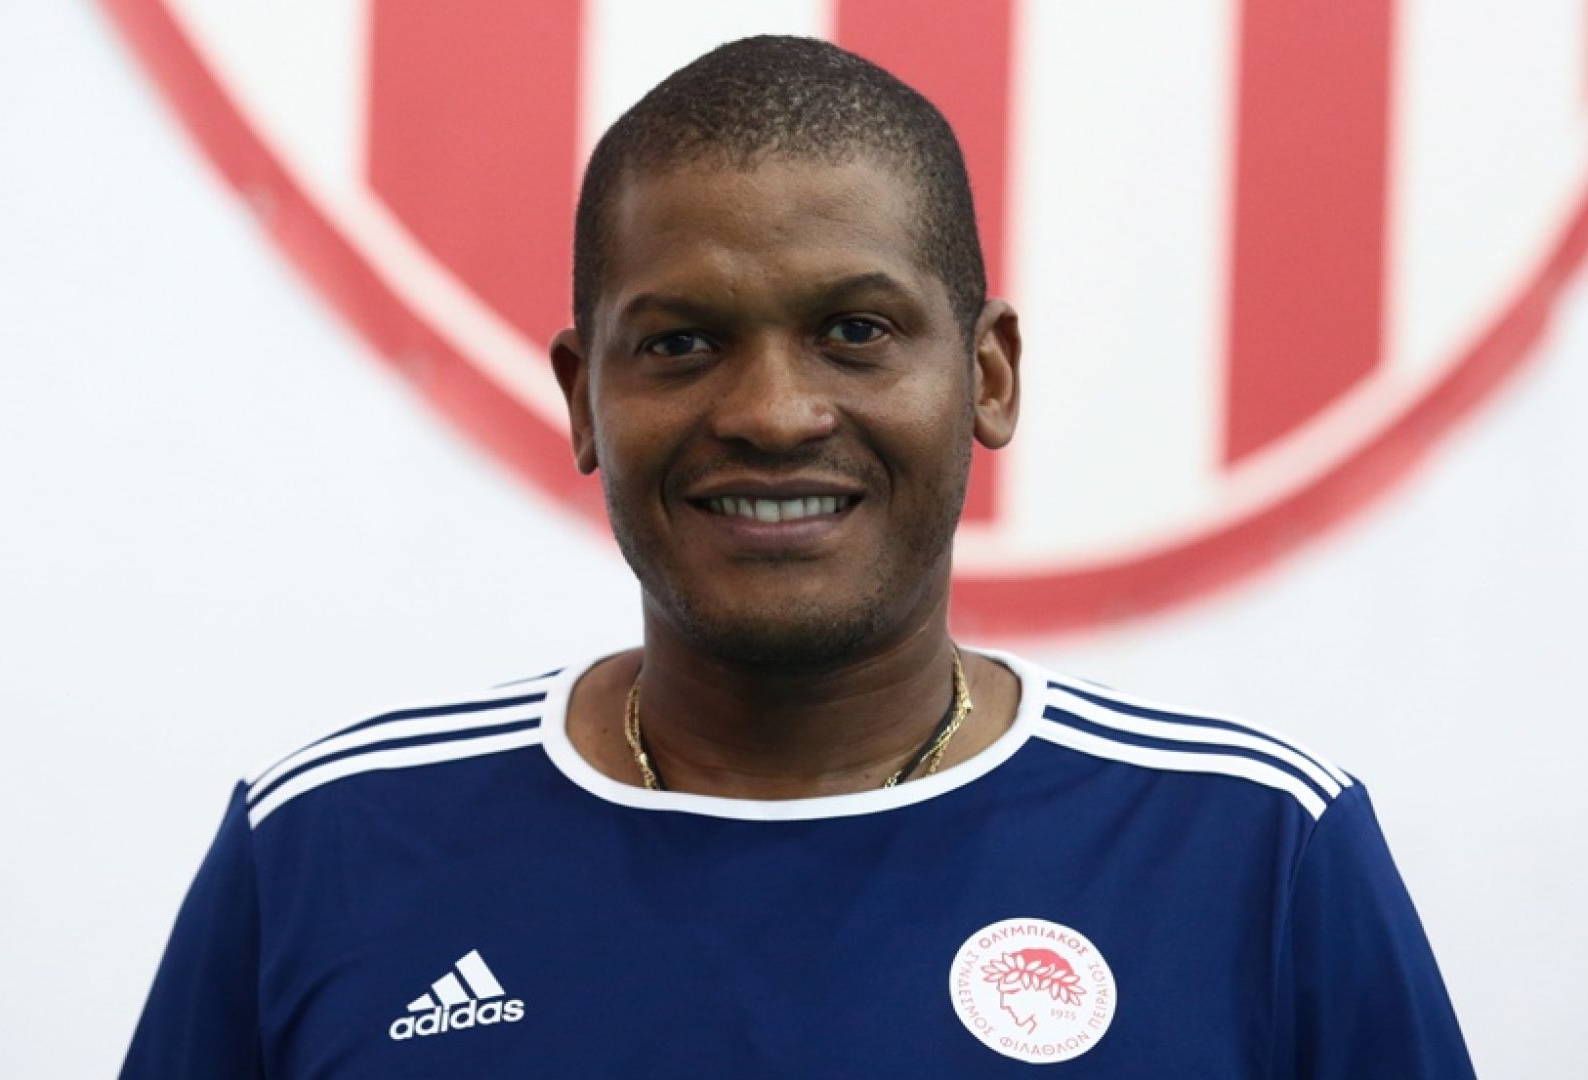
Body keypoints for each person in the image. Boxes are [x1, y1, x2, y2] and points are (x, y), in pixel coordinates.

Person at [122, 35, 1474, 1078]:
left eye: (855, 332)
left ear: (989, 374)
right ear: (584, 398)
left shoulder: (1253, 854)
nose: (773, 414)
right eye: (681, 343)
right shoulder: (329, 849)